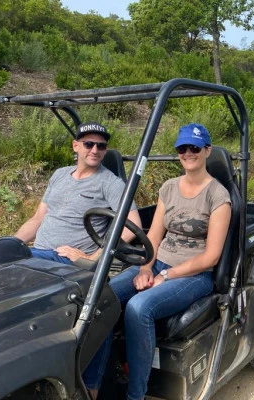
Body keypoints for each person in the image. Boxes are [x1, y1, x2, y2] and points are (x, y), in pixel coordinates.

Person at [83, 123, 232, 400]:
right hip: (159, 263)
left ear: (207, 151)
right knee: (102, 297)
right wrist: (146, 267)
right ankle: (92, 386)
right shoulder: (169, 187)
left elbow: (211, 257)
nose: (188, 153)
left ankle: (136, 394)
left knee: (139, 308)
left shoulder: (218, 195)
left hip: (194, 274)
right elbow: (152, 235)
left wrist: (166, 275)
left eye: (194, 148)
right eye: (182, 148)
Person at [14, 121, 142, 264]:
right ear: (76, 146)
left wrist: (92, 258)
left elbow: (133, 226)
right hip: (37, 252)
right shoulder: (59, 174)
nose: (95, 150)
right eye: (88, 144)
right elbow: (38, 217)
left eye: (101, 146)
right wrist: (12, 244)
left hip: (64, 259)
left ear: (105, 150)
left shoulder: (111, 183)